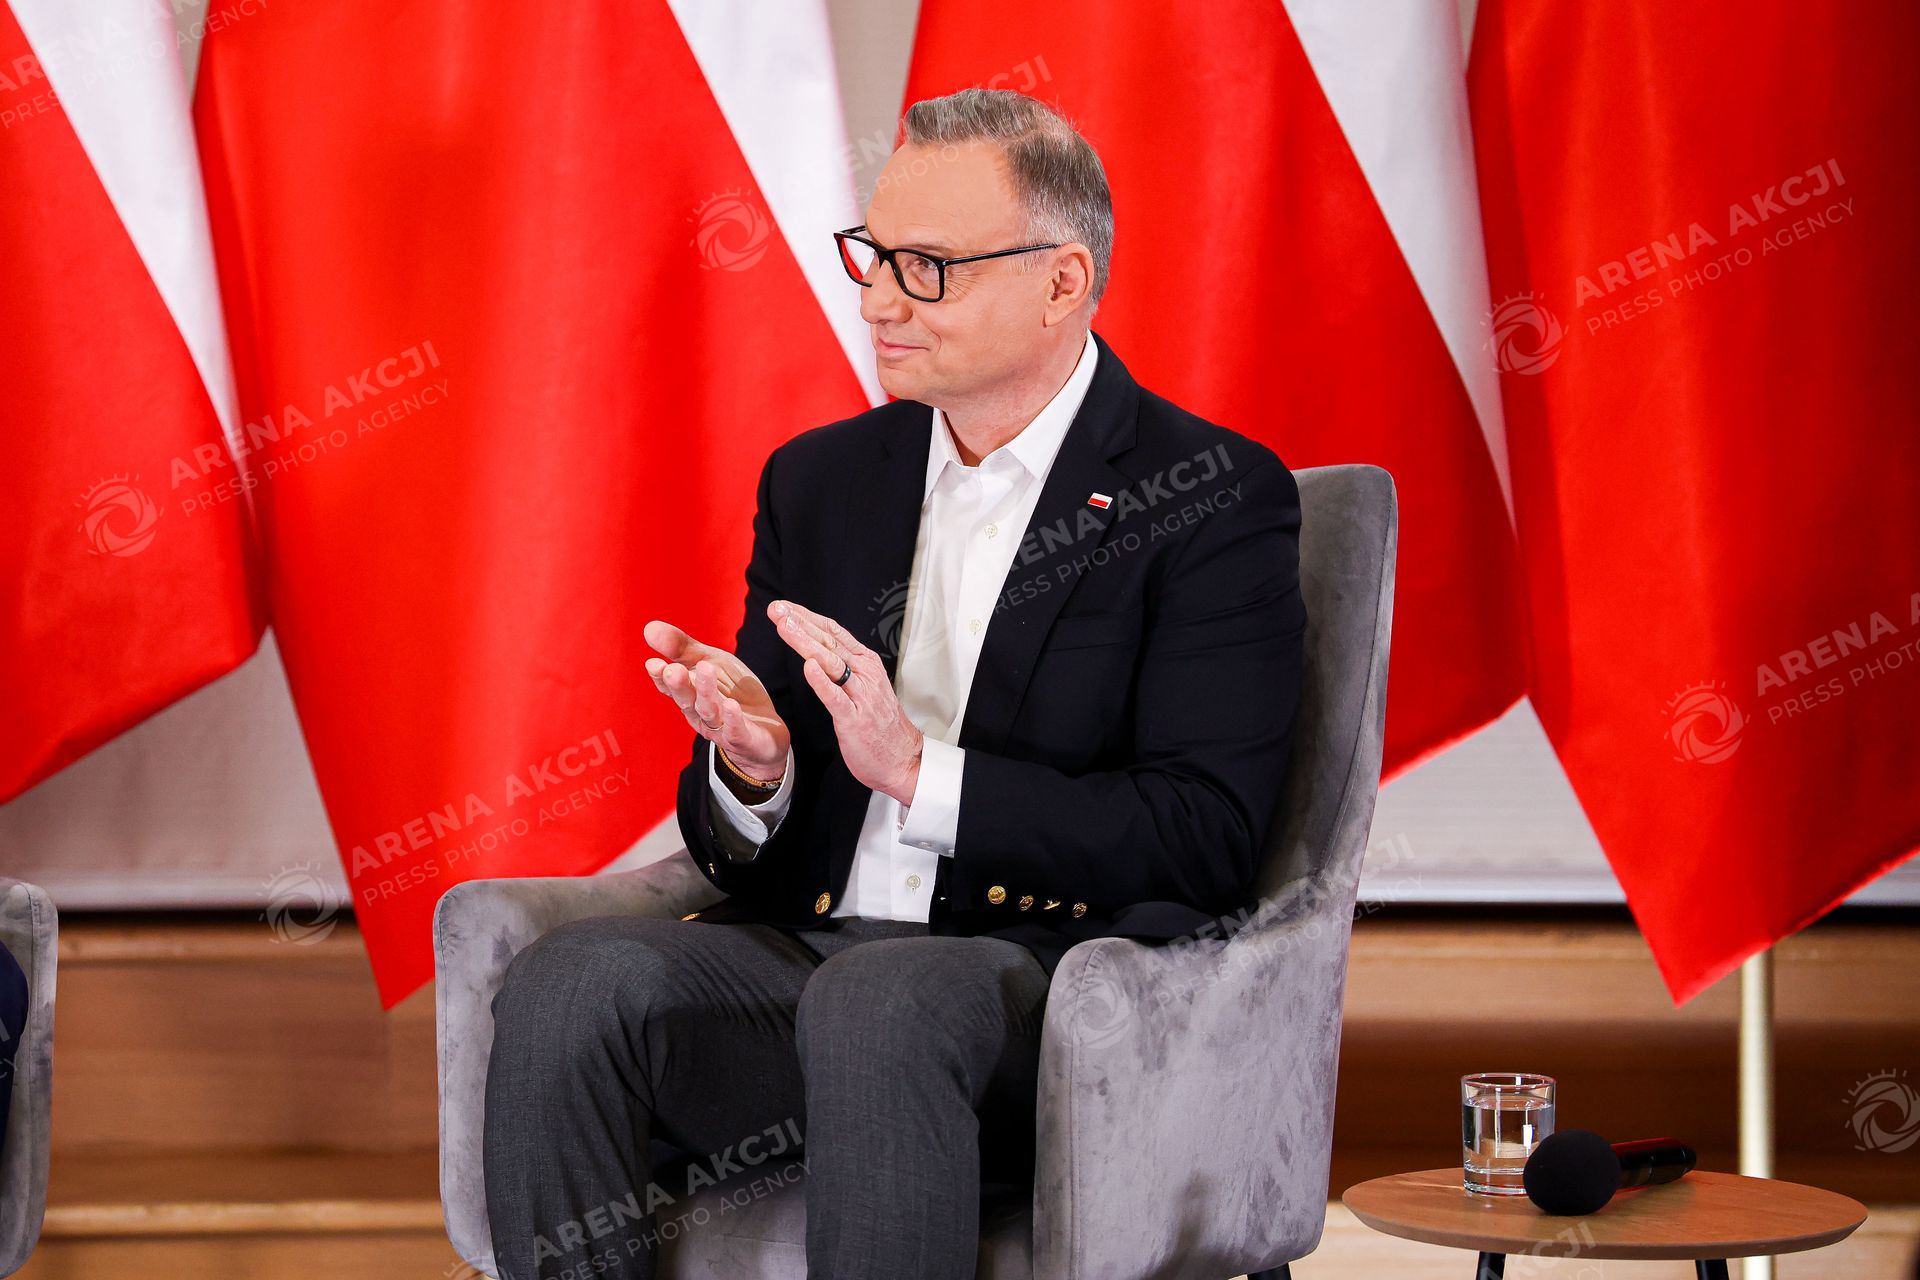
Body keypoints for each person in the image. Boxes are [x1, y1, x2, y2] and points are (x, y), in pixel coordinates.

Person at [483, 87, 1306, 1280]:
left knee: (885, 997)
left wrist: (926, 776)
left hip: (1052, 1001)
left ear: (1062, 283)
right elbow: (743, 847)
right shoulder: (820, 480)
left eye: (927, 267)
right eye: (873, 255)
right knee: (571, 982)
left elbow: (1206, 836)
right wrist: (754, 771)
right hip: (812, 968)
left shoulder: (1209, 495)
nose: (876, 300)